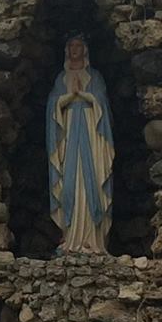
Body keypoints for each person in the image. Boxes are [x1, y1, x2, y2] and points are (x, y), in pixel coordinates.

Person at [46, 34, 114, 253]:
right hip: (68, 137)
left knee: (91, 180)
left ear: (85, 49)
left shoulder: (95, 77)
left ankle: (93, 240)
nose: (75, 50)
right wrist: (68, 98)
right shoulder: (60, 79)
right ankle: (70, 237)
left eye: (78, 46)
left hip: (92, 134)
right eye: (71, 46)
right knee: (69, 185)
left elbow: (102, 103)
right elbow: (52, 108)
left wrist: (85, 96)